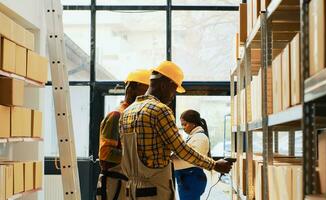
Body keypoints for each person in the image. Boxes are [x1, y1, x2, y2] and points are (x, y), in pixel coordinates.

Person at [119, 61, 233, 200]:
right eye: (173, 90)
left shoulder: (127, 112)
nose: (173, 95)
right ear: (164, 84)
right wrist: (214, 164)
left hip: (130, 190)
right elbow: (181, 149)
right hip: (155, 190)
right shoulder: (159, 110)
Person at [96, 69, 151, 200]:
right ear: (132, 88)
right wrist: (137, 156)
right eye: (146, 90)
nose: (149, 96)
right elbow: (105, 153)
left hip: (127, 182)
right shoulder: (116, 115)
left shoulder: (133, 115)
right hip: (114, 183)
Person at [174, 110, 211, 200]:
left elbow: (193, 159)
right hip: (186, 178)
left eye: (185, 124)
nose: (183, 127)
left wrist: (174, 157)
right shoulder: (193, 136)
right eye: (182, 125)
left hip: (191, 178)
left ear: (193, 124)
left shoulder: (200, 137)